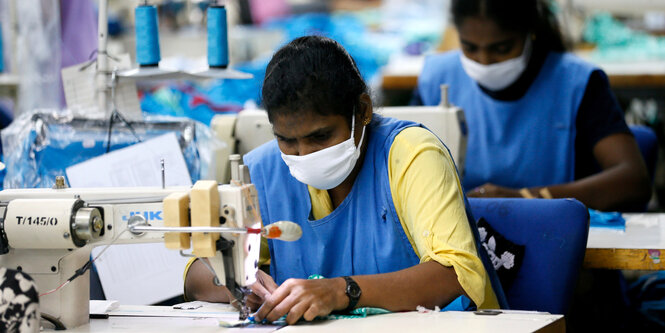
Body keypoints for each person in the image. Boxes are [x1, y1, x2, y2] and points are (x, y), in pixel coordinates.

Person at [184, 35, 501, 324]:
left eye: (320, 137)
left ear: (362, 110)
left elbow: (457, 276)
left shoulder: (411, 156)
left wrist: (341, 291)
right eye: (286, 140)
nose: (303, 153)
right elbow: (196, 274)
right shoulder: (264, 171)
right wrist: (237, 282)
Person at [412, 0, 651, 212]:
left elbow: (632, 181)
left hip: (555, 242)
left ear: (530, 31)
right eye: (470, 47)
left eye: (502, 48)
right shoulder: (436, 78)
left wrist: (526, 199)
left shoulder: (576, 83)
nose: (484, 61)